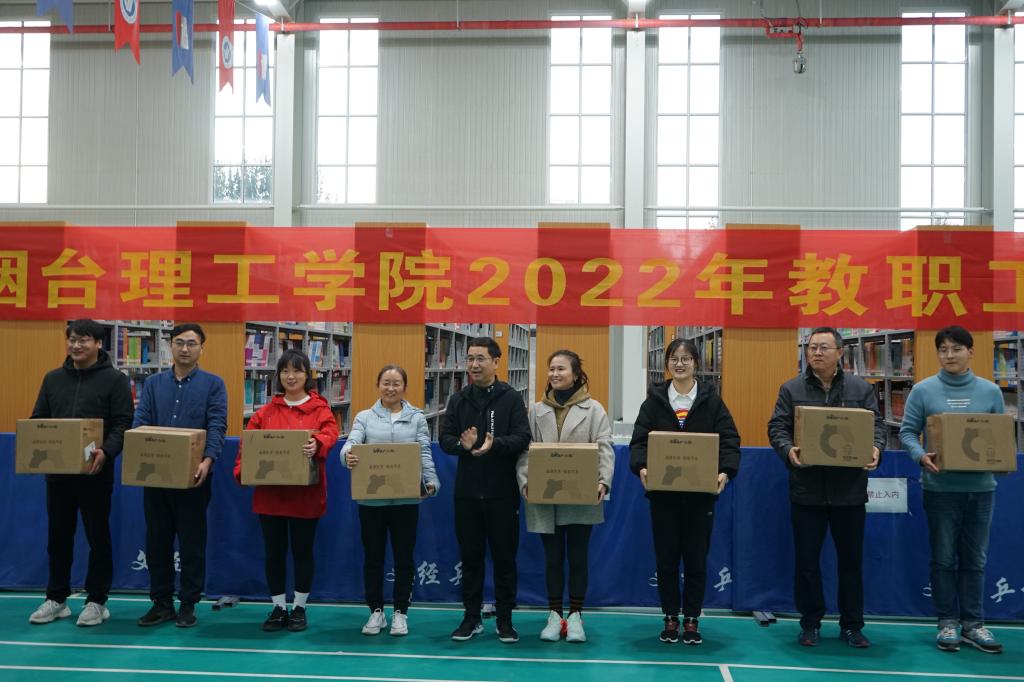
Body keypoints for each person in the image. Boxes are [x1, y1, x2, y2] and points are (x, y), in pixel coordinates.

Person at [768, 326, 883, 649]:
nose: (816, 353)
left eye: (823, 347)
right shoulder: (791, 389)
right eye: (812, 347)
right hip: (807, 490)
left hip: (849, 491)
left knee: (851, 562)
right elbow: (777, 427)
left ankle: (852, 625)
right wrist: (788, 450)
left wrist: (876, 448)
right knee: (807, 562)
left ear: (840, 353)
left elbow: (876, 426)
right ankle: (810, 623)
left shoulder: (861, 389)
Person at [899, 326, 1006, 654]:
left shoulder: (990, 391)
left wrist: (1000, 458)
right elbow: (907, 432)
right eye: (943, 349)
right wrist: (920, 456)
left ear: (971, 352)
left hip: (981, 488)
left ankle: (974, 624)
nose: (949, 355)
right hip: (940, 488)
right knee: (943, 558)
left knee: (976, 559)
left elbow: (1000, 437)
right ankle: (947, 622)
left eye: (956, 349)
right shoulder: (923, 391)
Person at [629, 338, 740, 646]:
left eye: (686, 359)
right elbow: (639, 442)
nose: (680, 364)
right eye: (674, 359)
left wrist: (725, 471)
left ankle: (691, 618)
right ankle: (669, 616)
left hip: (700, 497)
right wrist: (641, 467)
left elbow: (730, 440)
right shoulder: (654, 401)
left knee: (695, 559)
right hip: (663, 496)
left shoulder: (711, 401)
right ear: (667, 364)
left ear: (696, 364)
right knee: (666, 560)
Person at [28, 319, 134, 627]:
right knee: (58, 537)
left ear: (98, 343)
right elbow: (40, 418)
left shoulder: (115, 380)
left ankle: (97, 600)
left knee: (97, 536)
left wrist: (107, 451)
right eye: (72, 339)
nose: (76, 345)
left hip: (95, 472)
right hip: (58, 474)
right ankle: (56, 598)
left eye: (84, 340)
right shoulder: (53, 379)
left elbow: (123, 422)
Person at [233, 349, 339, 633]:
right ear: (278, 376)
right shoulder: (265, 413)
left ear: (307, 375)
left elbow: (331, 433)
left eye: (297, 371)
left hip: (306, 496)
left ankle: (300, 607)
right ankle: (278, 607)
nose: (291, 376)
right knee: (274, 553)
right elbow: (247, 447)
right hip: (271, 497)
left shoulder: (320, 409)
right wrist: (243, 471)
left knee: (303, 552)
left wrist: (318, 442)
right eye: (285, 371)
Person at [133, 323, 227, 628]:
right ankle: (161, 603)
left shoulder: (213, 384)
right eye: (179, 343)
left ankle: (188, 603)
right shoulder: (153, 384)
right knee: (157, 541)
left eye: (191, 343)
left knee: (191, 542)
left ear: (201, 348)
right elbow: (141, 421)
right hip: (156, 476)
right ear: (169, 345)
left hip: (194, 477)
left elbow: (217, 425)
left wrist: (208, 461)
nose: (185, 349)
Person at [516, 350, 613, 643]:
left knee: (578, 557)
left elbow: (605, 448)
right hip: (545, 496)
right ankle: (554, 614)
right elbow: (525, 450)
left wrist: (603, 481)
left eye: (561, 369)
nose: (555, 374)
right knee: (553, 558)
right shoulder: (536, 411)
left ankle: (576, 616)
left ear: (576, 374)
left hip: (582, 495)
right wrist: (525, 481)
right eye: (552, 369)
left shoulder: (594, 409)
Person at [440, 336, 531, 643]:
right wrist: (463, 446)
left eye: (480, 359)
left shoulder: (511, 398)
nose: (474, 365)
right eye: (470, 359)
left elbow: (523, 438)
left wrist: (495, 445)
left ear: (496, 362)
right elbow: (445, 439)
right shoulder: (459, 399)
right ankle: (471, 617)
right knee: (471, 558)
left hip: (502, 493)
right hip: (466, 494)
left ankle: (505, 620)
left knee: (505, 559)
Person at [341, 365, 439, 637]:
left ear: (404, 387)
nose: (391, 388)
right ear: (378, 385)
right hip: (372, 503)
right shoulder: (364, 417)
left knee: (404, 558)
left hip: (406, 502)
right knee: (373, 558)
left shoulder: (417, 418)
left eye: (396, 383)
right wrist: (348, 455)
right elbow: (351, 443)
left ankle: (400, 612)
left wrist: (431, 481)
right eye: (386, 382)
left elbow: (424, 453)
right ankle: (375, 611)